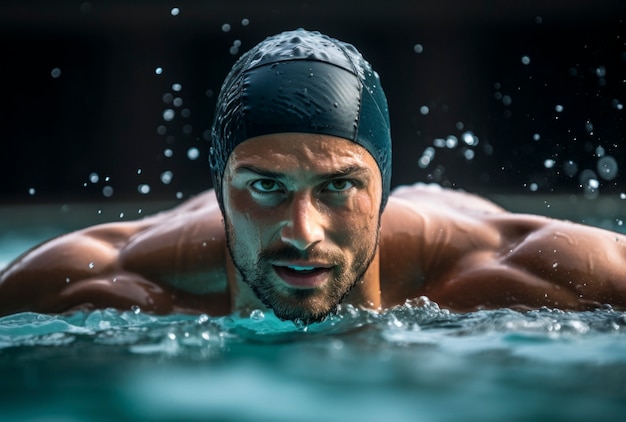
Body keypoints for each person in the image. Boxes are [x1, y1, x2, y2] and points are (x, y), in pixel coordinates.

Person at [1, 29, 626, 323]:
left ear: (382, 190)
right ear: (221, 192)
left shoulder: (517, 269)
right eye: (265, 186)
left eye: (339, 186)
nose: (303, 234)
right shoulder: (106, 280)